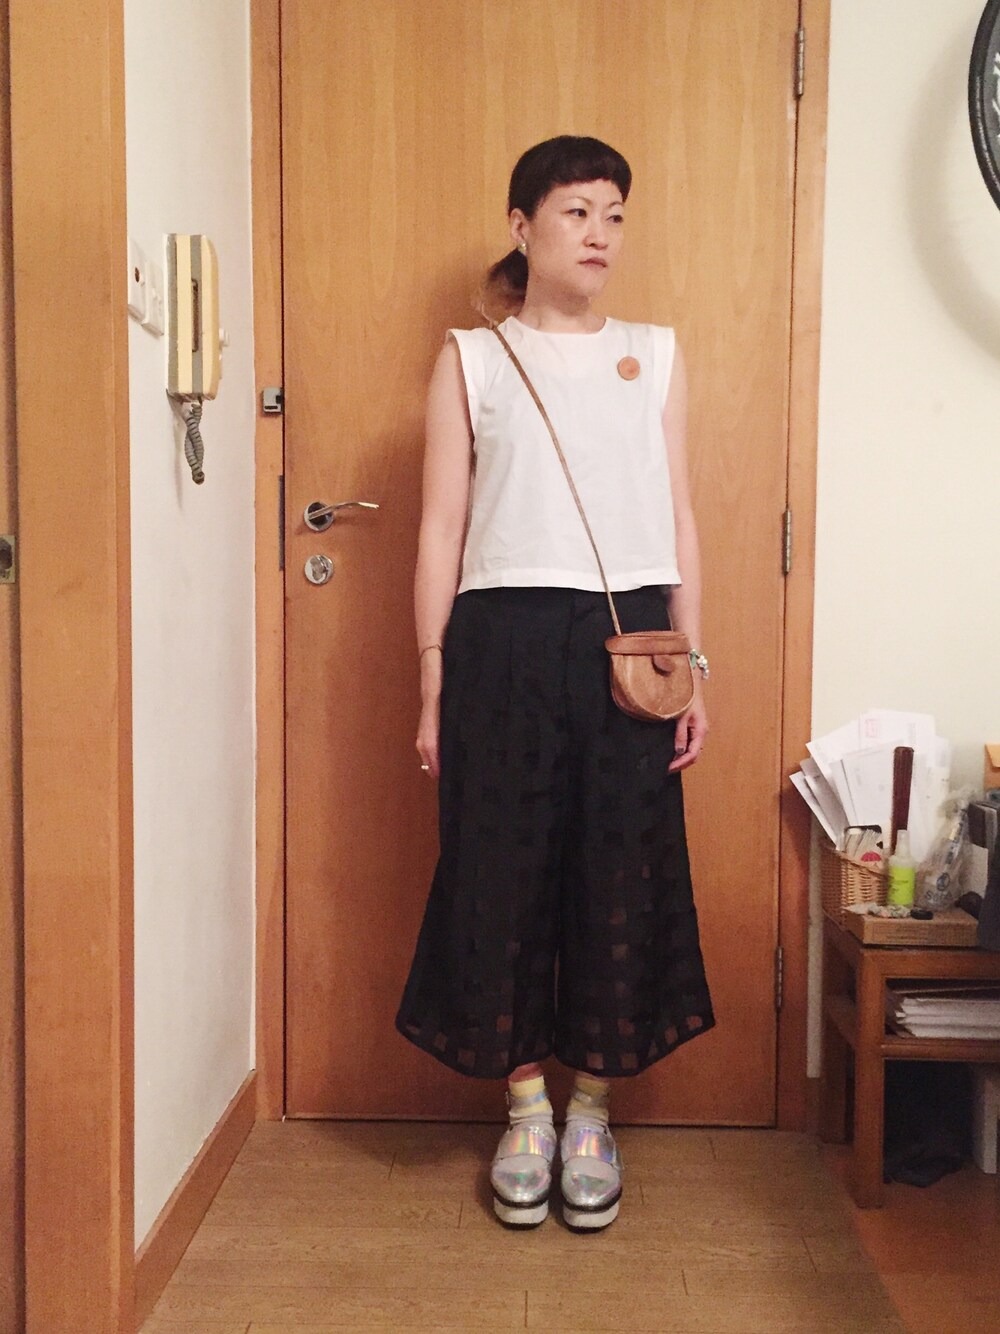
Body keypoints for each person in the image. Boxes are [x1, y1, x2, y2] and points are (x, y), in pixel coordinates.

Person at [395, 135, 715, 1231]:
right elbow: (439, 529)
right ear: (521, 225)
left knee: (622, 876)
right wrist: (432, 678)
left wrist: (694, 661)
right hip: (501, 641)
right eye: (577, 211)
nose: (599, 234)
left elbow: (679, 518)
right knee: (500, 874)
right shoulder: (472, 359)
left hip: (629, 644)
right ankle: (524, 1109)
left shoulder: (655, 355)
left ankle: (592, 1114)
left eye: (614, 214)